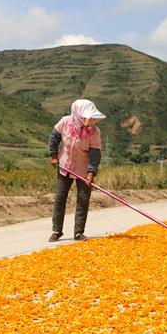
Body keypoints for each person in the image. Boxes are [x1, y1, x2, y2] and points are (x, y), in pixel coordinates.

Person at [47, 99, 105, 242]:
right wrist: (54, 156)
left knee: (83, 200)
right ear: (78, 114)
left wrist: (91, 173)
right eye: (87, 117)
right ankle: (57, 230)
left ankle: (78, 233)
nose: (90, 120)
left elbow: (95, 154)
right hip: (65, 166)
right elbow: (53, 138)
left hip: (83, 170)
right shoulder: (65, 122)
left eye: (92, 117)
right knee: (60, 199)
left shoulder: (94, 132)